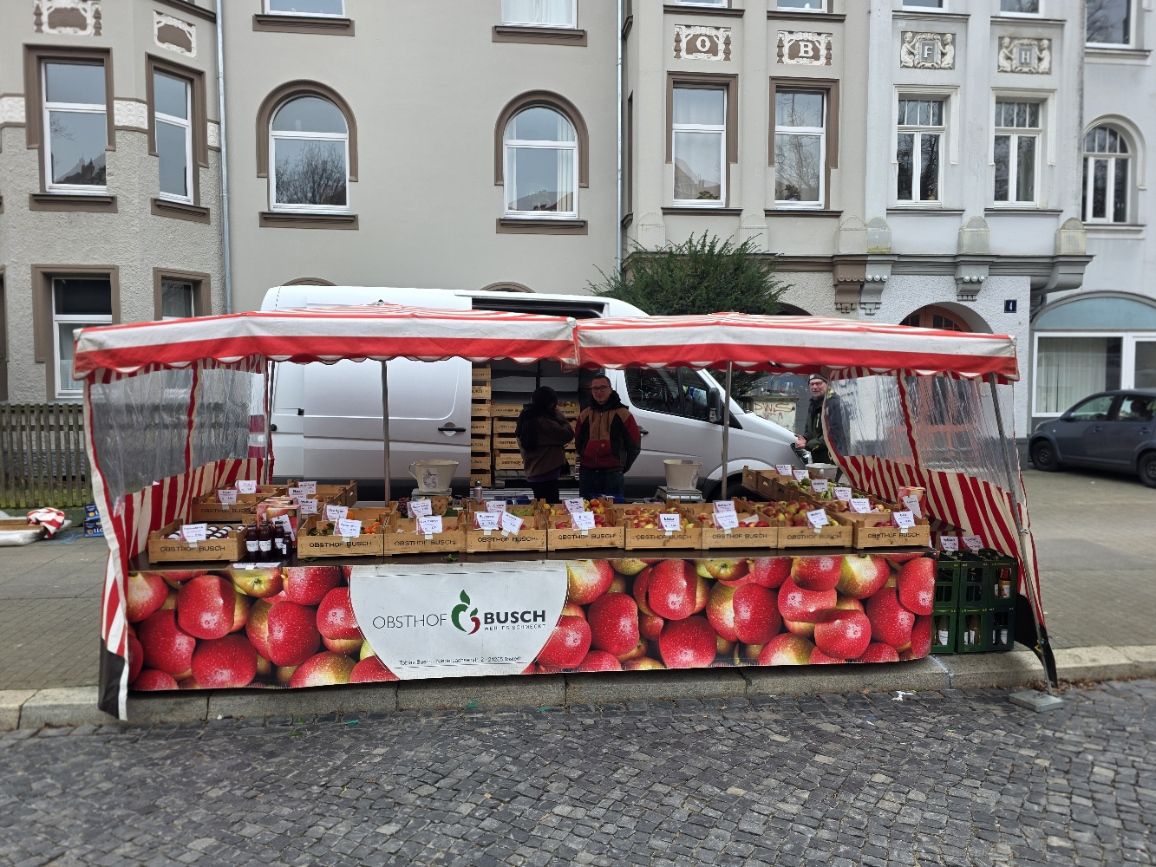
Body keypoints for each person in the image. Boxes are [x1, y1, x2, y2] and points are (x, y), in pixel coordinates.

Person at [575, 375, 641, 501]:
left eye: (602, 388)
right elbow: (578, 441)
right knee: (587, 514)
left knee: (613, 513)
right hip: (588, 473)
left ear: (610, 389)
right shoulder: (584, 414)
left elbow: (634, 444)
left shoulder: (623, 414)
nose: (598, 392)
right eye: (595, 389)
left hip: (612, 474)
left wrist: (622, 465)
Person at [515, 386, 575, 503]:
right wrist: (558, 414)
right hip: (547, 471)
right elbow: (568, 434)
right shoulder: (544, 421)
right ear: (550, 403)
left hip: (533, 469)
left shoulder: (526, 416)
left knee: (540, 503)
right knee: (550, 505)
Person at [796, 374, 846, 464]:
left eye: (818, 383)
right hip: (818, 454)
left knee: (827, 478)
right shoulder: (813, 403)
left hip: (832, 457)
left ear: (827, 384)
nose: (814, 387)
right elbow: (810, 429)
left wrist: (807, 444)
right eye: (812, 384)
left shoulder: (834, 403)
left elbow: (833, 435)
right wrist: (805, 438)